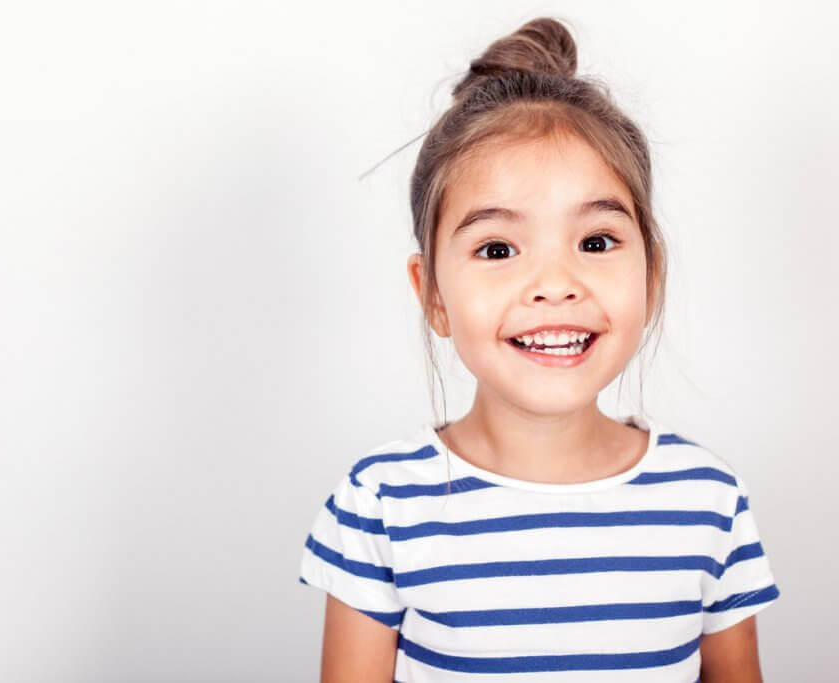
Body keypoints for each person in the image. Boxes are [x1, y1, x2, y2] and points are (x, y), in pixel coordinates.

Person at [297, 16, 781, 683]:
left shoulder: (710, 501)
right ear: (432, 292)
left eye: (596, 242)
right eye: (497, 249)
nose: (554, 285)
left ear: (652, 271)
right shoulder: (379, 506)